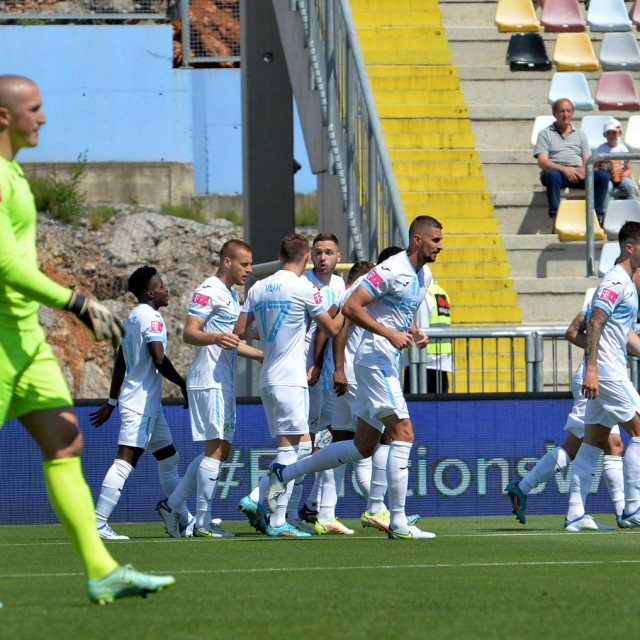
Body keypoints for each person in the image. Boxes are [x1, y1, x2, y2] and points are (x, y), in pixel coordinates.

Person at [0, 74, 174, 604]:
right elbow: (6, 264)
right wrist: (77, 304)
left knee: (66, 441)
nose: (44, 118)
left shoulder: (13, 175)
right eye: (34, 108)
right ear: (4, 116)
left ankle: (101, 570)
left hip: (25, 341)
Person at [267, 216, 444, 540]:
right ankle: (398, 522)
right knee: (403, 433)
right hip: (374, 362)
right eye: (435, 240)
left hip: (385, 361)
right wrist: (389, 334)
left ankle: (285, 473)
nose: (440, 246)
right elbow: (350, 306)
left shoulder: (425, 274)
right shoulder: (392, 269)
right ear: (417, 240)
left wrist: (415, 332)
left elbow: (395, 316)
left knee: (363, 446)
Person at [234, 233, 344, 538]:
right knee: (294, 451)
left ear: (280, 256)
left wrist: (269, 332)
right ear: (306, 257)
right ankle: (276, 516)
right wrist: (346, 303)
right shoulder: (303, 288)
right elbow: (333, 328)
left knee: (299, 447)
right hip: (291, 379)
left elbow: (240, 330)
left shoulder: (257, 288)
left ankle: (260, 499)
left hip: (267, 378)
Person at [505, 291, 640, 528]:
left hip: (599, 376)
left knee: (601, 444)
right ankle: (626, 511)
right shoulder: (615, 290)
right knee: (582, 445)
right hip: (596, 377)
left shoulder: (624, 297)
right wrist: (601, 357)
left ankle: (604, 512)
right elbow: (573, 331)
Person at [157, 240, 263, 538]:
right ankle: (202, 523)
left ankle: (172, 504)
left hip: (224, 382)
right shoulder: (208, 289)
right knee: (215, 450)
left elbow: (234, 340)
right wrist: (215, 337)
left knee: (222, 450)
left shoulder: (231, 296)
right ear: (227, 262)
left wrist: (261, 354)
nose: (249, 270)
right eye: (245, 264)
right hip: (208, 380)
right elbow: (189, 333)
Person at [90, 266, 193, 540]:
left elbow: (121, 362)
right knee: (126, 460)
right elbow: (159, 359)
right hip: (141, 403)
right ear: (150, 292)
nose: (166, 289)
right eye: (161, 285)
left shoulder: (132, 318)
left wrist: (112, 401)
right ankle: (98, 524)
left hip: (146, 404)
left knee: (169, 457)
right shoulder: (152, 319)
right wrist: (183, 383)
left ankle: (183, 517)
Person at [563, 221, 640, 531]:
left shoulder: (625, 284)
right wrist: (592, 369)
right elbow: (593, 323)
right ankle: (634, 508)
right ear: (630, 248)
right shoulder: (616, 282)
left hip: (607, 370)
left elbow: (619, 335)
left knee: (592, 442)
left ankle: (575, 515)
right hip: (607, 372)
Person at [292, 233, 346, 533]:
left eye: (328, 252)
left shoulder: (339, 286)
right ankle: (284, 509)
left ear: (339, 256)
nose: (322, 257)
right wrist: (313, 365)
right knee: (306, 442)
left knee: (325, 438)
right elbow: (322, 331)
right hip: (306, 373)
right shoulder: (303, 284)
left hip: (328, 377)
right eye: (318, 252)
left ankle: (313, 507)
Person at [534, 98, 610, 224]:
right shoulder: (545, 134)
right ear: (554, 113)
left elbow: (587, 159)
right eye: (561, 111)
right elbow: (542, 162)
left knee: (602, 176)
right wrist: (565, 169)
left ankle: (596, 217)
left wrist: (583, 170)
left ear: (573, 113)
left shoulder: (580, 134)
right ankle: (556, 217)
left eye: (569, 111)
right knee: (551, 174)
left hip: (578, 173)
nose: (565, 114)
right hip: (557, 173)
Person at [404, 280, 452, 394]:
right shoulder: (440, 292)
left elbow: (420, 329)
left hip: (422, 361)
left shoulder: (423, 293)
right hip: (441, 360)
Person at [594, 118, 639, 201]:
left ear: (619, 133)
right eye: (608, 133)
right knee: (606, 188)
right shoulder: (600, 149)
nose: (611, 136)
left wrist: (624, 175)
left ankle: (633, 208)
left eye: (614, 133)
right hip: (607, 178)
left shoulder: (623, 149)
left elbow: (629, 169)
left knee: (630, 186)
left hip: (621, 177)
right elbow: (595, 168)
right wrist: (604, 173)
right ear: (604, 135)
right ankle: (605, 212)